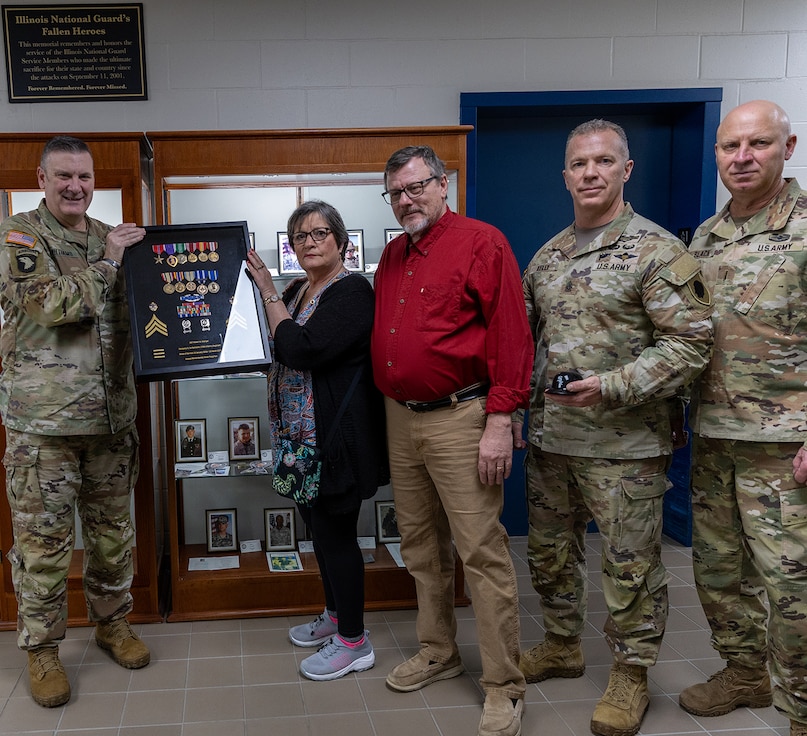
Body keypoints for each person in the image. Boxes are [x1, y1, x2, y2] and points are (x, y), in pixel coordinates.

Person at [518, 119, 714, 736]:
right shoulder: (547, 257)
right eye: (579, 163)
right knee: (550, 554)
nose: (590, 173)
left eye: (604, 161)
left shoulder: (658, 251)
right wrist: (521, 410)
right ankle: (561, 643)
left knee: (630, 565)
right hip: (552, 441)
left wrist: (612, 385)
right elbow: (527, 343)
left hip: (626, 444)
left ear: (626, 170)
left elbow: (690, 343)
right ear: (565, 175)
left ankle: (631, 674)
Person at [371, 145, 533, 736]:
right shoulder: (393, 254)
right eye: (396, 193)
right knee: (419, 545)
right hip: (400, 417)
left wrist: (500, 418)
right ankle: (439, 650)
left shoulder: (482, 242)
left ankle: (503, 683)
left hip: (461, 417)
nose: (406, 200)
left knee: (481, 553)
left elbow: (512, 336)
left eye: (416, 187)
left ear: (443, 185)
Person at [0, 135, 150, 708]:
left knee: (114, 538)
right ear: (41, 179)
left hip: (111, 424)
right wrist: (110, 262)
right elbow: (50, 305)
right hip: (45, 429)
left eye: (84, 178)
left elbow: (145, 313)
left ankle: (112, 624)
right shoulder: (21, 235)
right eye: (63, 176)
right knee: (44, 545)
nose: (75, 187)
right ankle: (42, 650)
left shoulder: (108, 237)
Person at [678, 100, 807, 736]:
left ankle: (802, 708)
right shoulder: (707, 235)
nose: (743, 157)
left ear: (788, 146)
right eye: (731, 147)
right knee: (720, 570)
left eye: (758, 144)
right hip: (714, 435)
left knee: (792, 583)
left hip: (786, 444)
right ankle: (745, 670)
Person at [246, 199, 388, 682]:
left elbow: (301, 349)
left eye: (319, 233)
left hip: (333, 443)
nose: (309, 241)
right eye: (300, 235)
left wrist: (266, 291)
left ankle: (354, 642)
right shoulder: (299, 289)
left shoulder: (353, 294)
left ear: (341, 241)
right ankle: (334, 614)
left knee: (337, 537)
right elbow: (269, 342)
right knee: (317, 533)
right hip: (297, 441)